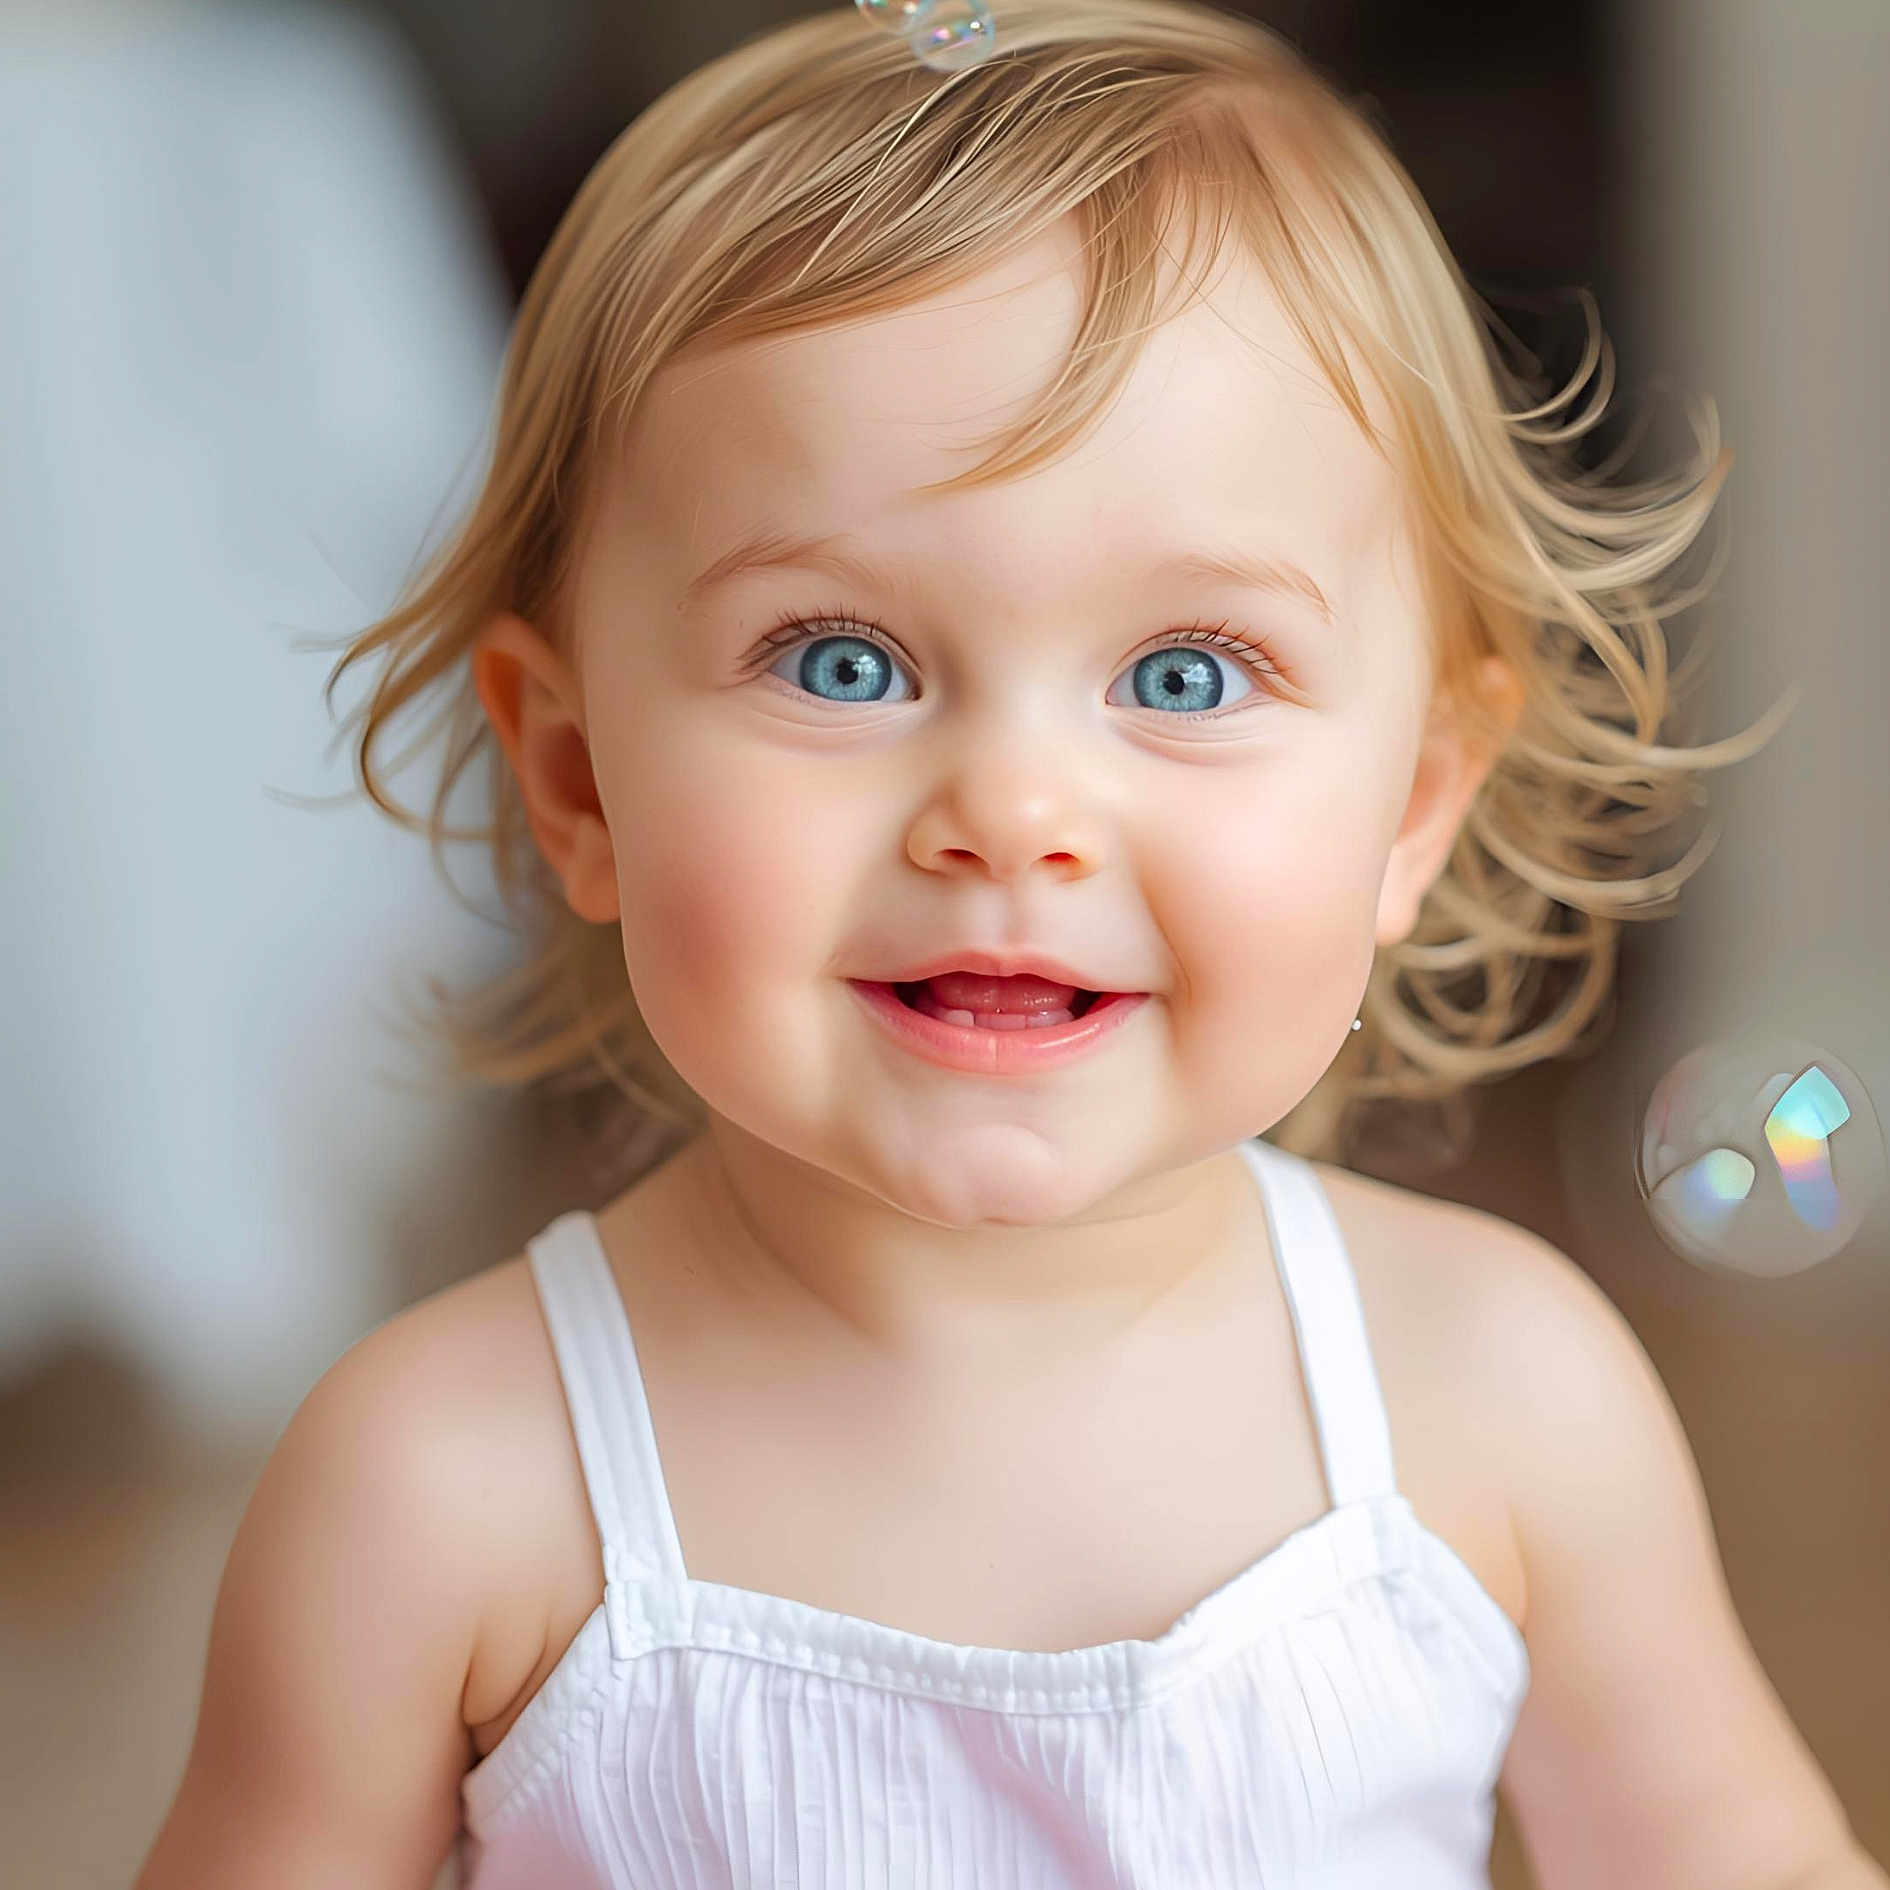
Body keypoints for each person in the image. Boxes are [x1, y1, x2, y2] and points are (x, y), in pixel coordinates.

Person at [134, 3, 1887, 1886]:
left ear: (1410, 805)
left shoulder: (1498, 1393)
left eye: (1183, 674)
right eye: (841, 661)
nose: (1010, 810)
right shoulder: (441, 1489)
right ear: (576, 779)